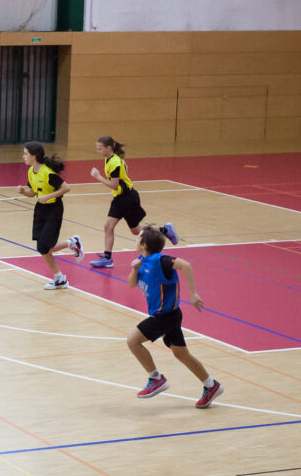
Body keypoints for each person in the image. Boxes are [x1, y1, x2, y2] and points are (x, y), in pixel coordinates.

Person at [126, 225, 222, 408]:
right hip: (170, 315)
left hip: (165, 316)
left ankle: (156, 378)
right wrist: (134, 269)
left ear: (144, 244)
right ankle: (211, 386)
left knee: (133, 341)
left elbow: (186, 265)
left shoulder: (160, 261)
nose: (135, 239)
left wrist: (193, 294)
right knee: (181, 354)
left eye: (138, 237)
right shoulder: (141, 260)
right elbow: (132, 284)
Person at [88, 135, 178, 268]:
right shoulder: (109, 159)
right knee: (108, 226)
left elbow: (114, 185)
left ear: (109, 147)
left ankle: (164, 230)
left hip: (128, 199)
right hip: (119, 199)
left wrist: (99, 177)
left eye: (100, 149)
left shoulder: (115, 163)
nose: (98, 151)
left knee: (136, 230)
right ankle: (107, 258)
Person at [16, 141, 85, 290]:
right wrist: (23, 192)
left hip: (54, 209)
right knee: (42, 247)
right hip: (40, 210)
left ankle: (72, 243)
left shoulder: (48, 173)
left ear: (34, 156)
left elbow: (66, 188)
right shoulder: (31, 172)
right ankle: (59, 278)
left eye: (26, 154)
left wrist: (48, 196)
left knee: (44, 246)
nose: (23, 156)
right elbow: (33, 192)